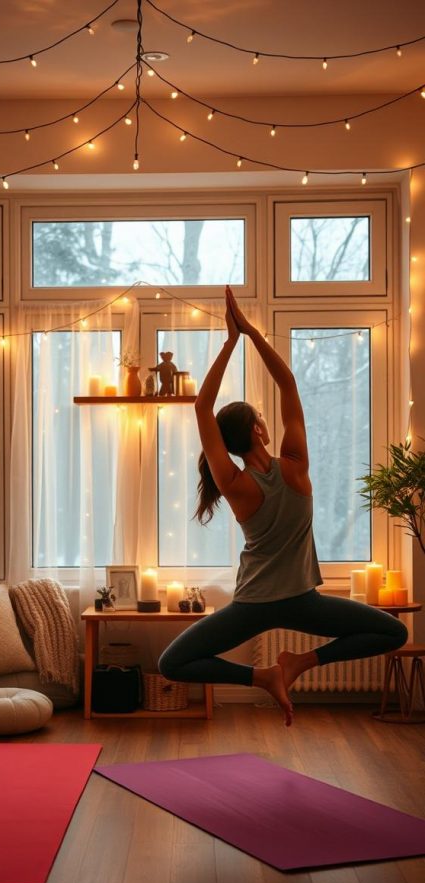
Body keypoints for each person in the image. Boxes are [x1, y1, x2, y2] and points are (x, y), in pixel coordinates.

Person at [158, 286, 407, 726]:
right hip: (302, 601)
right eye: (262, 419)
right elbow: (288, 383)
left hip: (253, 603)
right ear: (258, 429)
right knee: (393, 631)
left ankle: (265, 675)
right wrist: (251, 335)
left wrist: (230, 343)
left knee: (172, 663)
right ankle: (295, 665)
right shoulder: (296, 466)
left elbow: (202, 406)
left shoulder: (234, 483)